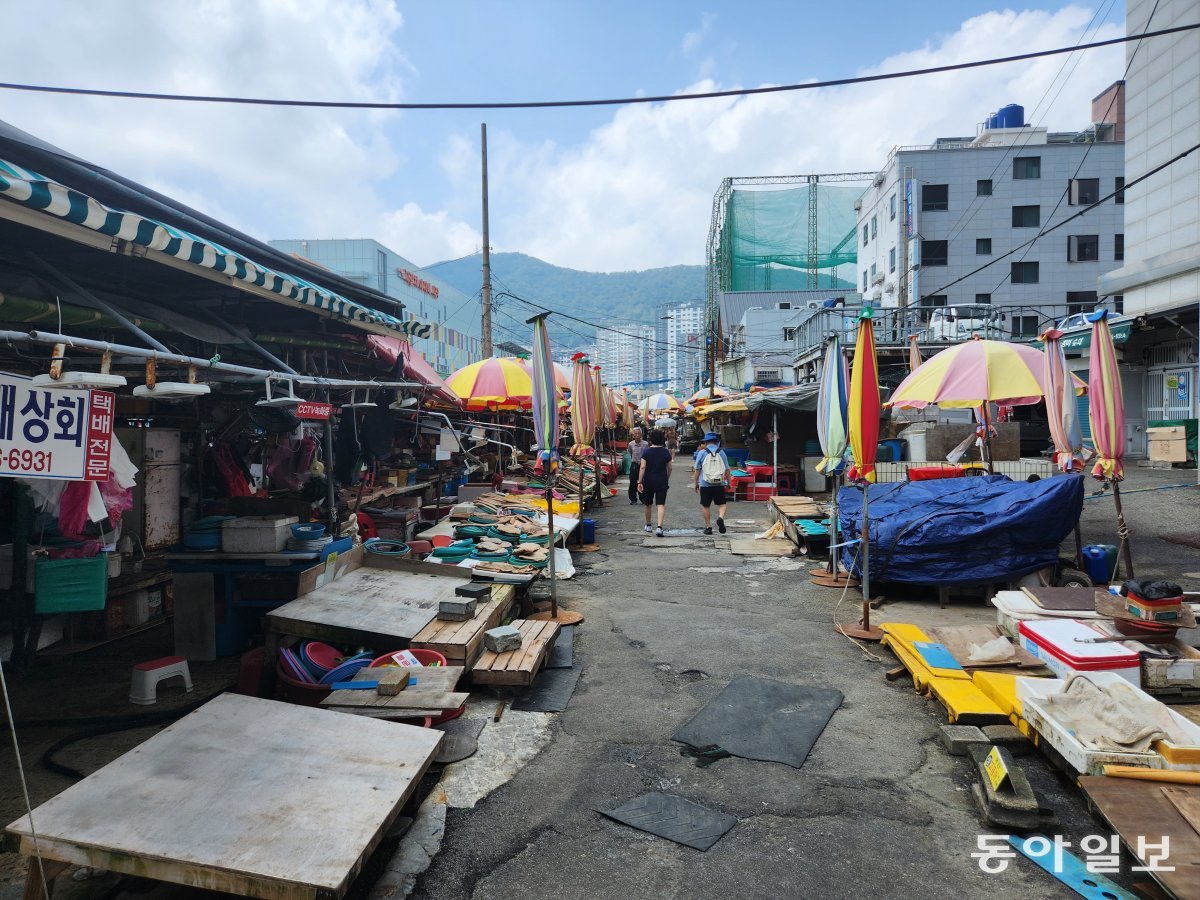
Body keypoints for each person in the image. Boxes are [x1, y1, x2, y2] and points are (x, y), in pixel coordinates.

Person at [692, 431, 730, 535]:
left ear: (706, 442)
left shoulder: (702, 452)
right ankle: (720, 517)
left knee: (706, 506)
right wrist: (729, 482)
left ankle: (708, 528)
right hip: (719, 483)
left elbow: (697, 470)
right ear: (716, 441)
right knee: (722, 504)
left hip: (705, 483)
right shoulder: (721, 452)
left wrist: (696, 483)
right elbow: (727, 469)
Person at [638, 429, 673, 538]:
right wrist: (666, 477)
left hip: (648, 481)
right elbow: (670, 467)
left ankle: (648, 525)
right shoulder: (665, 451)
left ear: (650, 439)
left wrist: (639, 481)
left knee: (648, 504)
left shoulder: (646, 451)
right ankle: (659, 528)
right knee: (660, 504)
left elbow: (642, 467)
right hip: (662, 481)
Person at [626, 427, 649, 504]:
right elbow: (630, 453)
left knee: (644, 482)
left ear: (641, 434)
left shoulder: (646, 444)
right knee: (633, 482)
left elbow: (648, 454)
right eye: (635, 433)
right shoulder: (630, 444)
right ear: (633, 435)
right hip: (634, 465)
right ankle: (633, 499)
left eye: (639, 433)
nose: (637, 435)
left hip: (644, 465)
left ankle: (643, 498)